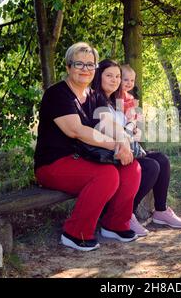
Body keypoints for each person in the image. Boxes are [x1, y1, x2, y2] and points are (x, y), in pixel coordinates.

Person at [34, 43, 141, 252]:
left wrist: (124, 141)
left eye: (90, 65)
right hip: (54, 164)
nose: (85, 69)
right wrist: (115, 145)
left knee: (132, 168)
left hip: (85, 158)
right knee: (107, 175)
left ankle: (115, 225)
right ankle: (75, 233)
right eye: (79, 64)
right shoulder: (58, 94)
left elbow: (109, 123)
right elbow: (76, 130)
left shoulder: (93, 95)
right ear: (68, 67)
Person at [92, 59, 181, 237]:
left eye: (118, 76)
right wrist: (126, 135)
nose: (115, 80)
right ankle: (126, 214)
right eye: (109, 76)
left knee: (161, 159)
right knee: (151, 166)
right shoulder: (95, 98)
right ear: (99, 76)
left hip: (125, 147)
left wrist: (132, 131)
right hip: (109, 153)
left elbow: (128, 126)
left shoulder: (115, 100)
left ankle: (160, 211)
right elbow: (104, 129)